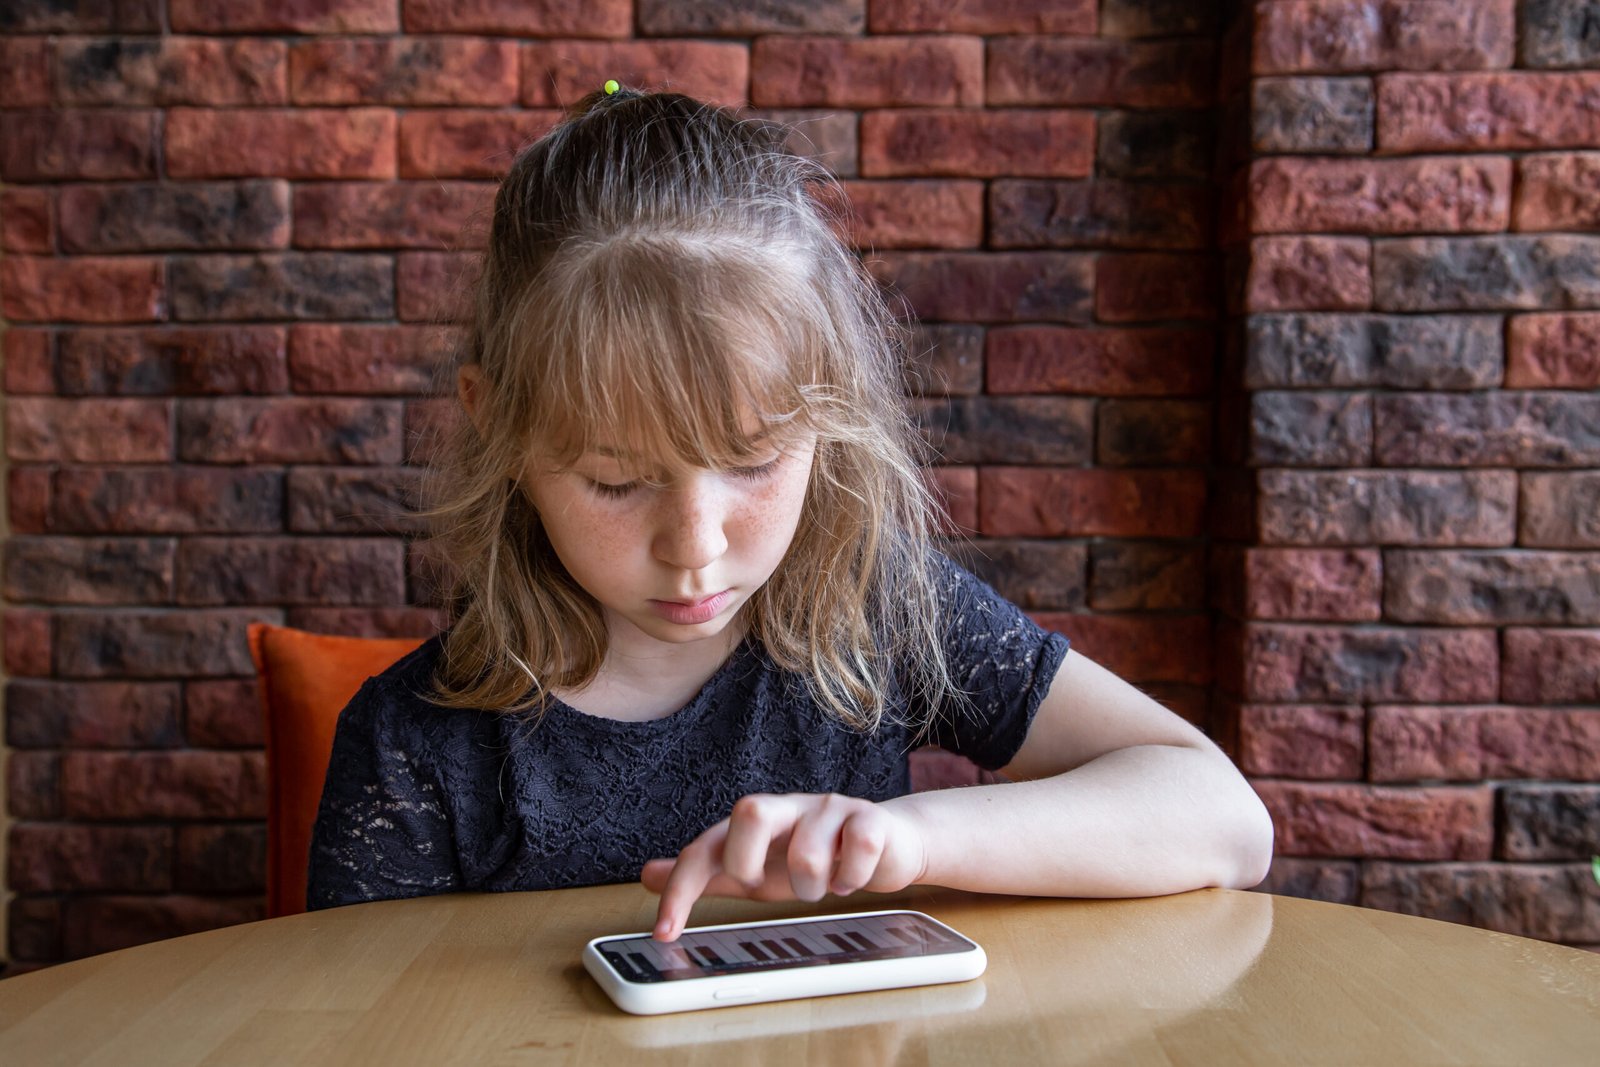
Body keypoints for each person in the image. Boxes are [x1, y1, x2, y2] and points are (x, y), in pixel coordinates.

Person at [306, 87, 1274, 941]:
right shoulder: (411, 746)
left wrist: (907, 837)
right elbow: (362, 1025)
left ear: (831, 413)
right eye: (615, 477)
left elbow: (1225, 819)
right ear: (500, 430)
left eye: (754, 461)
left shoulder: (879, 613)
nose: (697, 543)